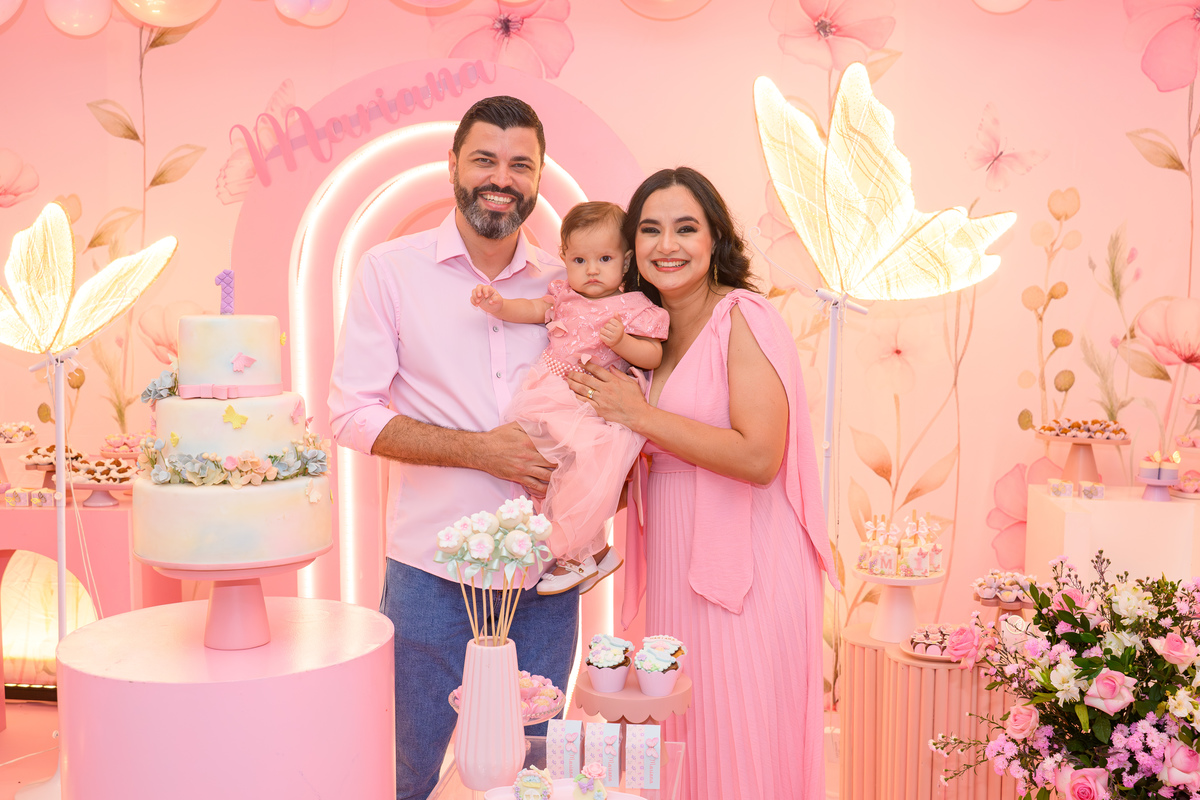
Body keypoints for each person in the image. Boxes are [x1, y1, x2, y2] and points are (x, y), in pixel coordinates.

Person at [328, 95, 579, 800]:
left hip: (545, 575)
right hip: (430, 571)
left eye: (520, 165)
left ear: (538, 178)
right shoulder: (390, 270)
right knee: (406, 767)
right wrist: (482, 452)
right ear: (452, 166)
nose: (502, 178)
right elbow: (350, 414)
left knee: (533, 773)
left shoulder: (566, 286)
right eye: (485, 160)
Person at [564, 167, 840, 800]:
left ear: (715, 237)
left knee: (742, 734)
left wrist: (637, 416)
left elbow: (761, 456)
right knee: (684, 733)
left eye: (686, 228)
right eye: (650, 230)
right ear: (631, 247)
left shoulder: (744, 316)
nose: (668, 245)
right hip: (673, 554)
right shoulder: (641, 330)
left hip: (748, 561)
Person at [470, 201, 669, 595]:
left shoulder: (633, 308)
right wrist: (499, 305)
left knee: (581, 474)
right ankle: (595, 553)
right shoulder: (563, 295)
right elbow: (531, 309)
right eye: (580, 260)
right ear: (565, 259)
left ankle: (574, 554)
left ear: (626, 261)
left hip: (588, 406)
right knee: (543, 474)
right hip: (547, 393)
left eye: (604, 259)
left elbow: (653, 355)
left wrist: (623, 342)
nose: (592, 270)